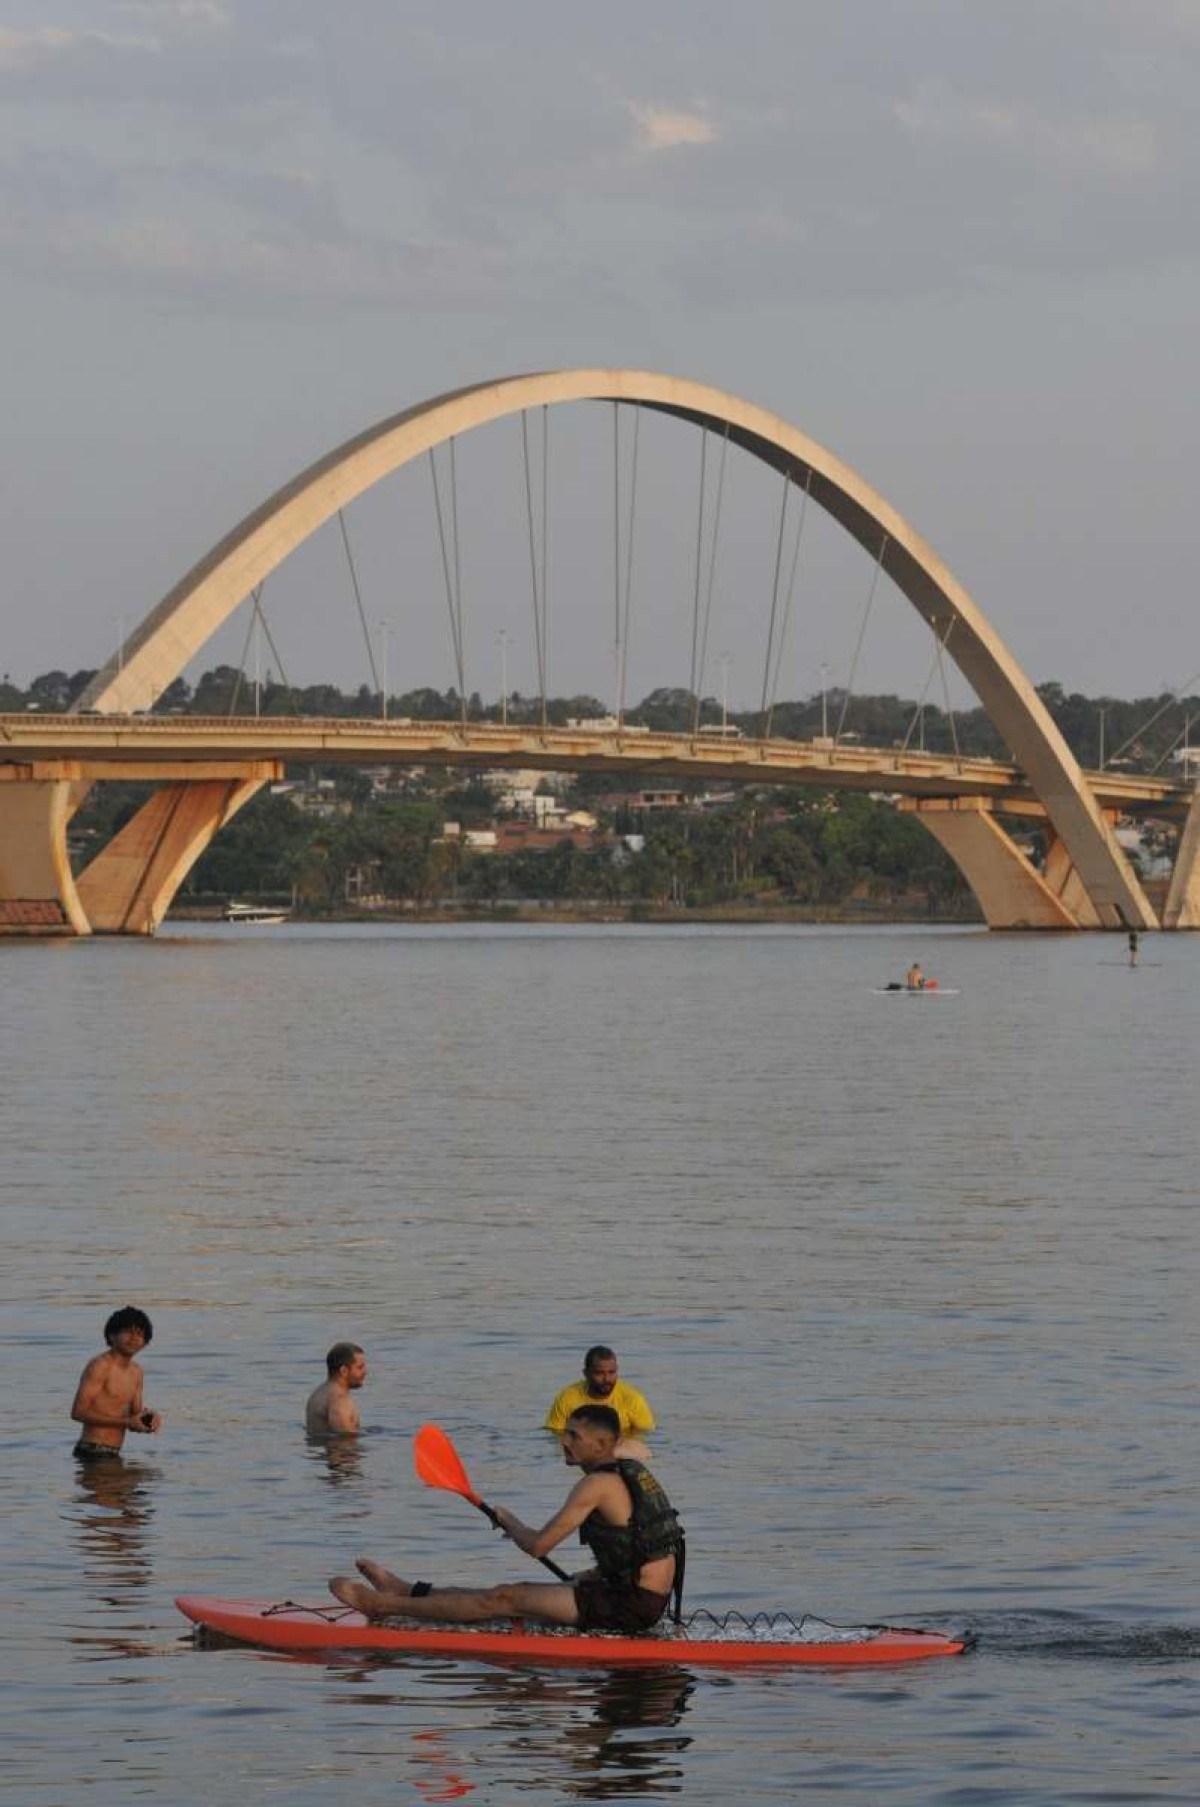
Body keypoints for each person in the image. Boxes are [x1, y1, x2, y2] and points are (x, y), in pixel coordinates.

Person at [330, 1403, 684, 1633]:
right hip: (626, 1591)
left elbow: (538, 1546)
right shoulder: (625, 1467)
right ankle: (409, 1591)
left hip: (630, 1605)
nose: (564, 1441)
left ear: (600, 1444)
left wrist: (511, 1522)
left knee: (504, 1599)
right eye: (565, 1432)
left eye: (574, 1436)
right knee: (501, 1594)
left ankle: (379, 1605)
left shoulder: (596, 1484)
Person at [70, 1305, 162, 1459]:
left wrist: (150, 1419)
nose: (133, 1338)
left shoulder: (137, 1372)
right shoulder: (100, 1365)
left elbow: (135, 1419)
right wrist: (127, 1422)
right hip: (92, 1450)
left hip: (113, 1453)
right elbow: (78, 1413)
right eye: (127, 1332)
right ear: (111, 1336)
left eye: (139, 1334)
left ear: (145, 1342)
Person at [545, 1345, 656, 1439]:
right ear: (586, 1373)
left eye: (611, 1372)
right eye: (599, 1373)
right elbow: (555, 1434)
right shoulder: (567, 1397)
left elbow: (646, 1434)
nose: (607, 1379)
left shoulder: (632, 1397)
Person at [306, 1342, 368, 1435]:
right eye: (360, 1367)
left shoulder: (320, 1392)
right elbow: (343, 1442)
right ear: (344, 1371)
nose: (365, 1372)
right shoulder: (339, 1399)